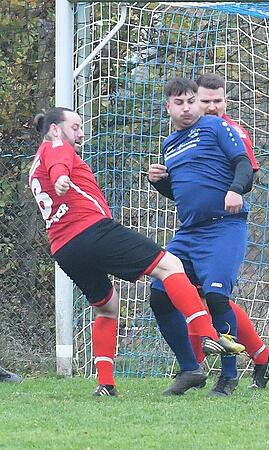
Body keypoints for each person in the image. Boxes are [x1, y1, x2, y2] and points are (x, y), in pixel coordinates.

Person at [28, 107, 243, 397]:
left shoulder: (34, 164)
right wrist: (60, 178)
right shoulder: (55, 147)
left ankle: (105, 384)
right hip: (91, 231)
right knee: (170, 265)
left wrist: (58, 178)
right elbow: (59, 164)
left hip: (63, 248)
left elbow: (54, 167)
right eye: (75, 126)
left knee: (106, 306)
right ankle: (208, 334)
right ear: (55, 129)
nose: (81, 133)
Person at [146, 77, 269, 397]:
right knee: (160, 294)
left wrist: (235, 190)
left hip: (223, 227)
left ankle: (228, 377)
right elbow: (183, 192)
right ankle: (191, 368)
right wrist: (159, 183)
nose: (188, 107)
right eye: (179, 103)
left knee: (217, 297)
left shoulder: (218, 128)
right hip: (188, 233)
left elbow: (244, 166)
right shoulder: (170, 144)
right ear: (168, 107)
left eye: (191, 101)